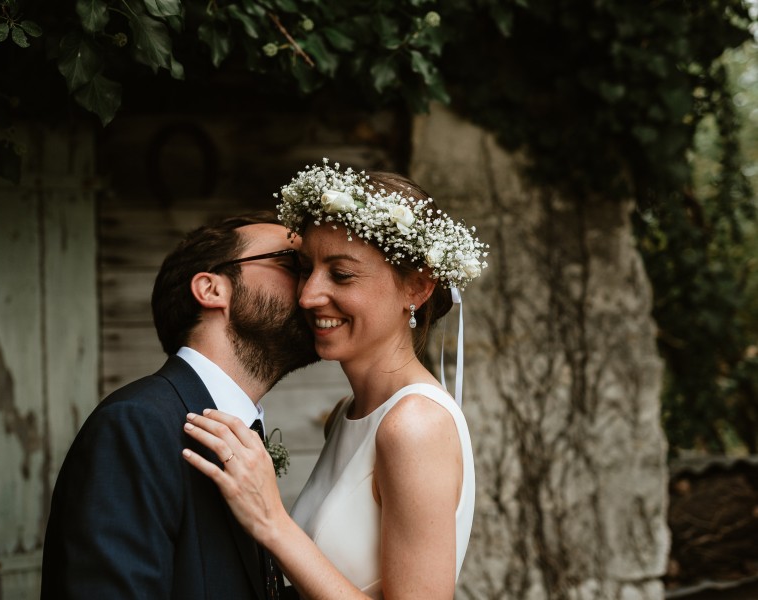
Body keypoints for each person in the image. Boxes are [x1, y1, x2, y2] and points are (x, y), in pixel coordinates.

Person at [182, 160, 488, 599]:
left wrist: (272, 522)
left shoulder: (415, 426)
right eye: (305, 268)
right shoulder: (348, 414)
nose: (307, 296)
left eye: (341, 274)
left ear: (417, 288)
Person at [40, 211, 319, 599]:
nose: (314, 290)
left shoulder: (236, 432)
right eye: (294, 264)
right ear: (211, 289)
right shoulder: (135, 425)